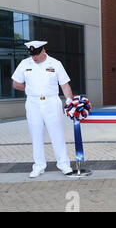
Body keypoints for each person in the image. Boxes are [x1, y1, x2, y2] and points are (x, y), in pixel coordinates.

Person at [11, 41, 73, 178]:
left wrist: (69, 101)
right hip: (33, 103)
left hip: (51, 102)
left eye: (37, 54)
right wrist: (29, 89)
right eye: (32, 55)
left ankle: (63, 164)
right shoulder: (25, 64)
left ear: (43, 51)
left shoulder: (55, 64)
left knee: (57, 134)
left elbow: (65, 85)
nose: (34, 58)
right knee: (36, 135)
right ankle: (39, 166)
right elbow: (16, 83)